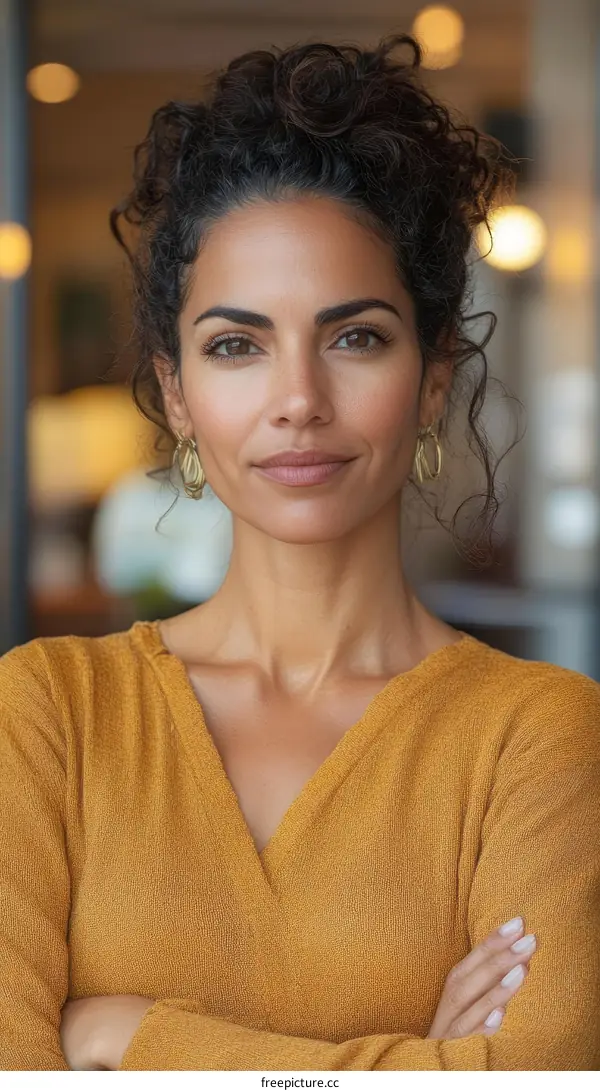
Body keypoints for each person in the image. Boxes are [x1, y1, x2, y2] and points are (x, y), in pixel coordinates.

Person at [1, 35, 599, 1072]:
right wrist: (420, 1061)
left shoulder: (537, 737)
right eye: (237, 344)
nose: (297, 401)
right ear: (179, 395)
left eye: (355, 335)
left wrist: (124, 1036)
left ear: (433, 381)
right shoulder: (47, 714)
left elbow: (543, 1070)